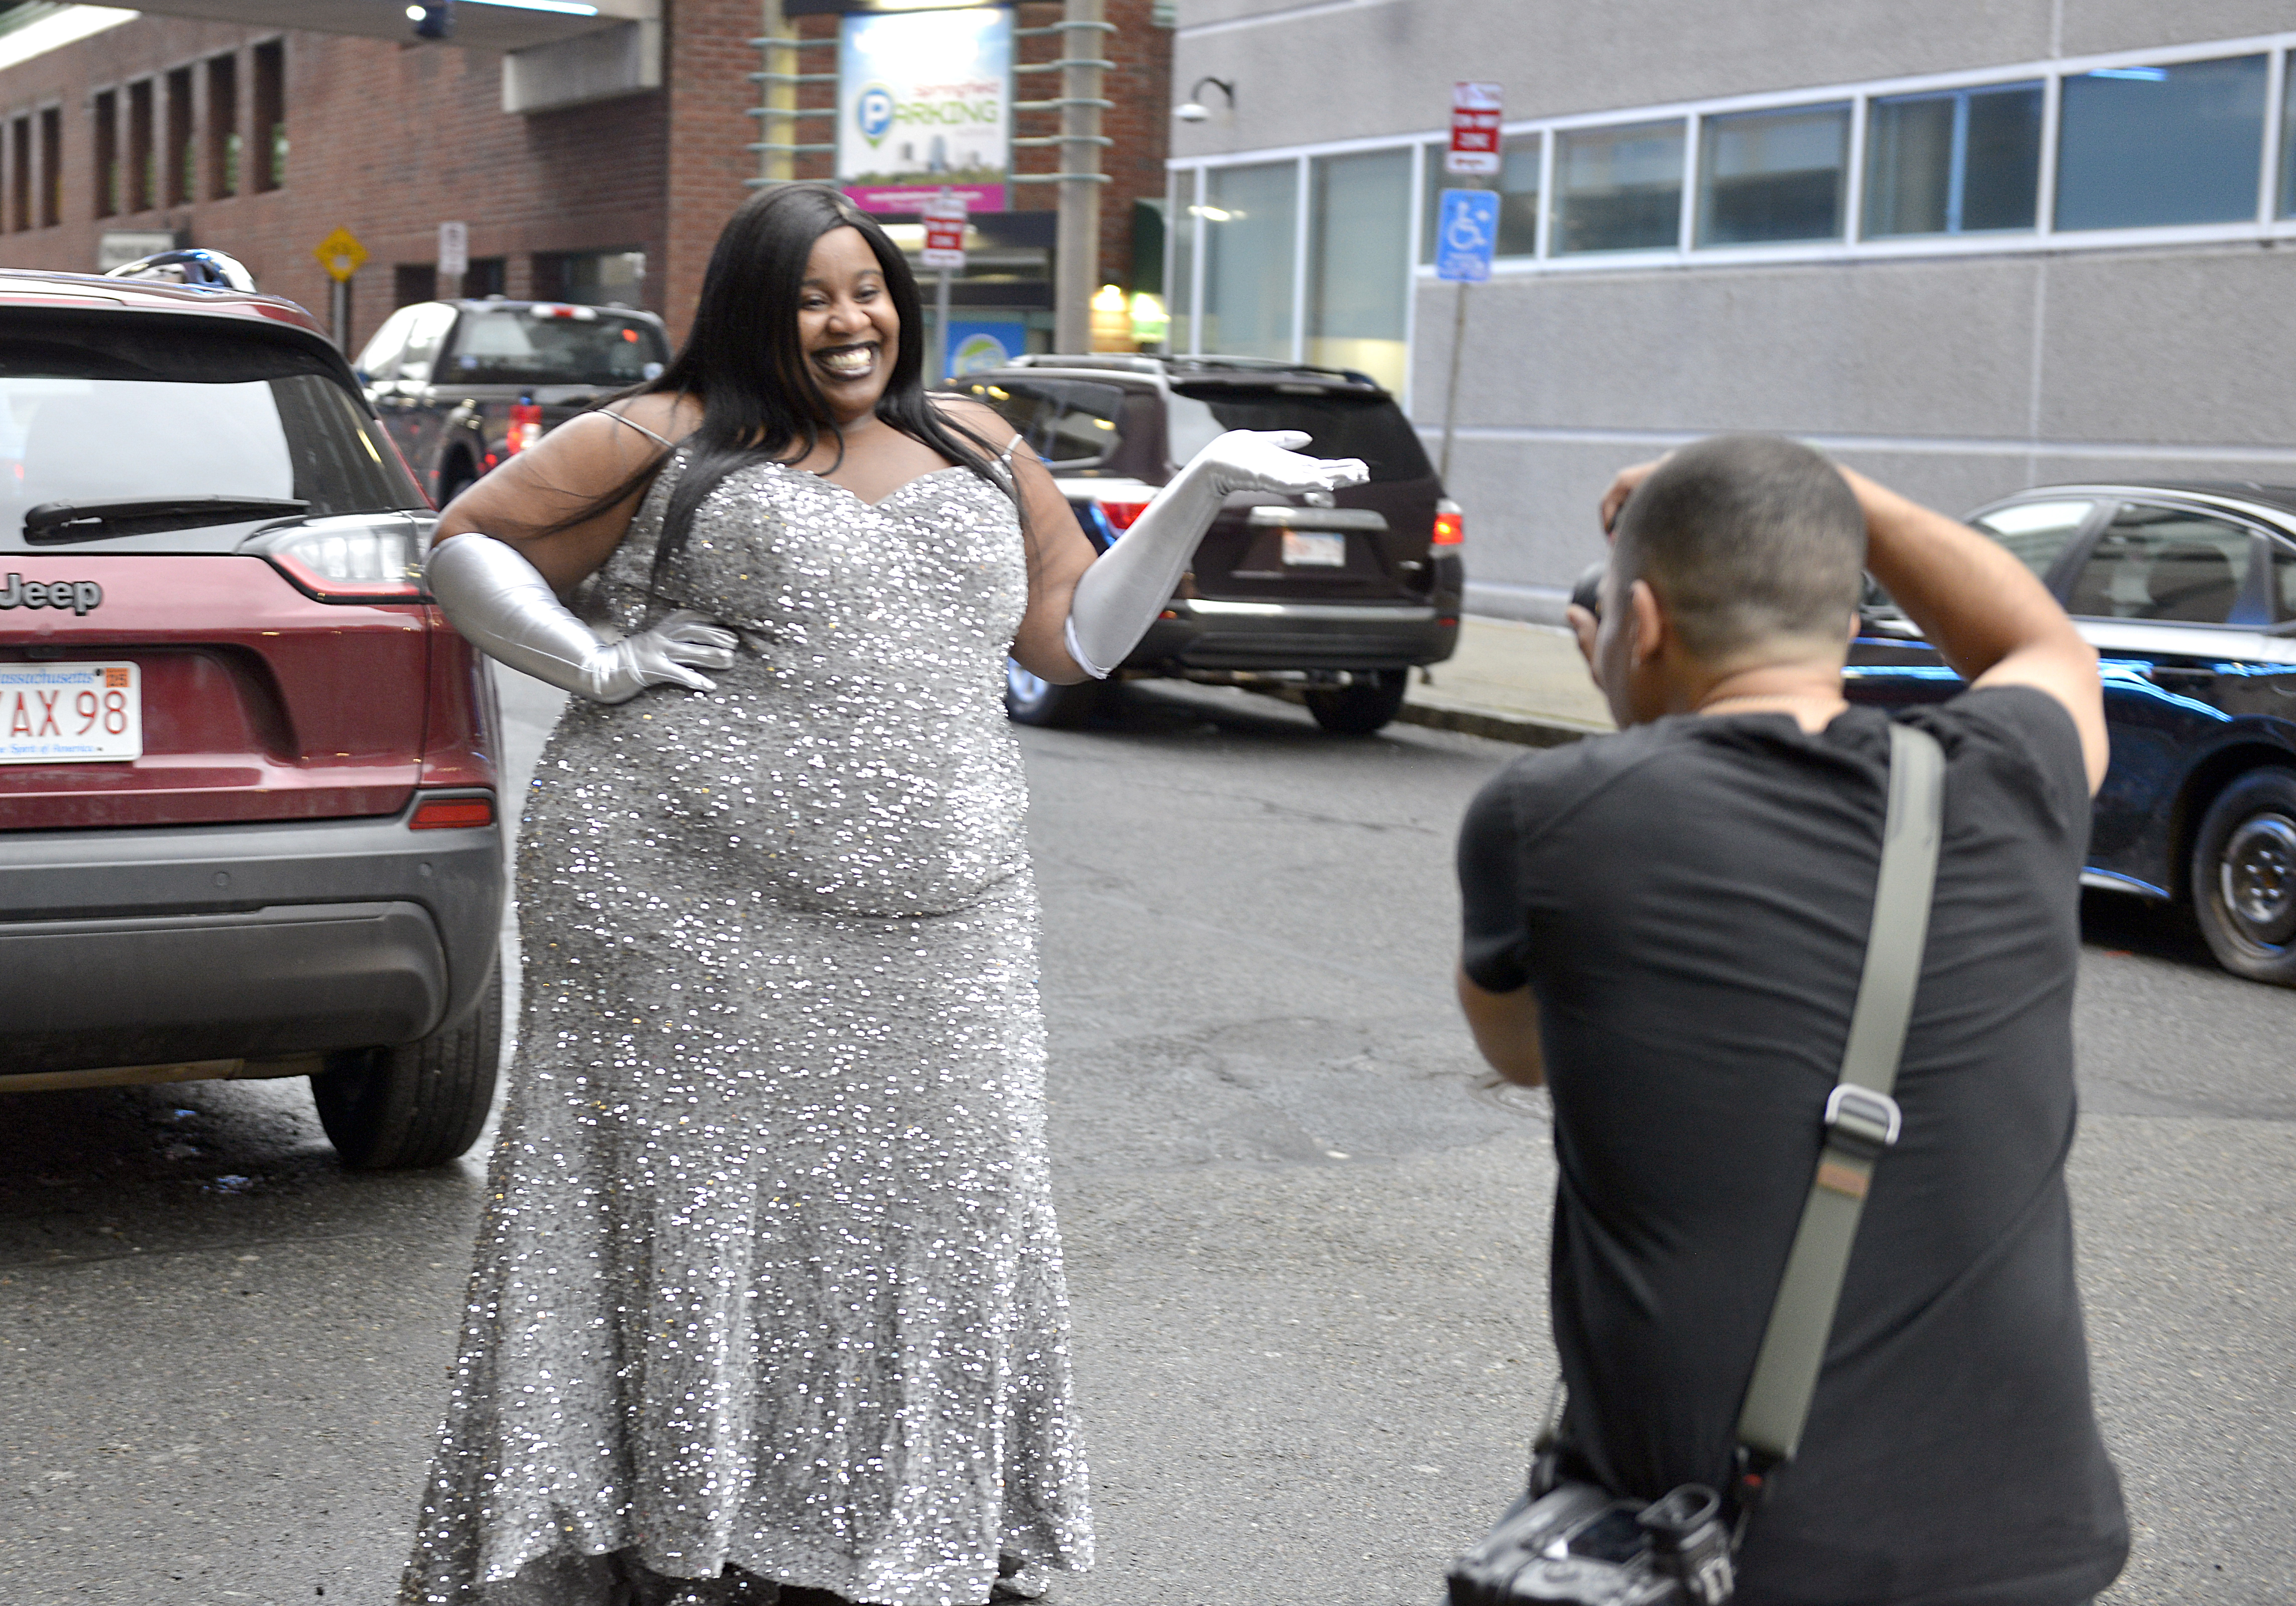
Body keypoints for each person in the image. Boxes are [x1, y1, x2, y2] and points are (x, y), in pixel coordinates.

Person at [397, 182, 1364, 1606]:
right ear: (752, 310)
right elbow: (464, 543)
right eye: (809, 295)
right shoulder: (672, 435)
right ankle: (680, 1534)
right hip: (680, 912)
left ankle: (881, 1535)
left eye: (866, 289)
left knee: (936, 1206)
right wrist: (595, 664)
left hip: (946, 924)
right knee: (700, 1208)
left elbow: (1080, 634)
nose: (847, 321)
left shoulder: (970, 438)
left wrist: (1199, 492)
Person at [1453, 435, 2129, 1604]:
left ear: (1643, 624)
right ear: (1849, 622)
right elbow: (2045, 645)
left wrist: (1635, 741)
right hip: (2026, 1547)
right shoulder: (2013, 775)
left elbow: (1519, 1056)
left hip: (1728, 1557)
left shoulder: (1548, 820)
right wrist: (1831, 490)